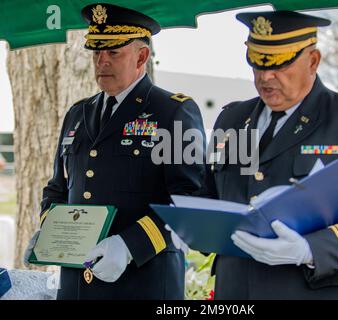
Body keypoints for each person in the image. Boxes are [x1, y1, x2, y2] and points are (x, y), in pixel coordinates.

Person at [202, 10, 338, 299]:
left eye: (279, 64)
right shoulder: (232, 120)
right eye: (257, 63)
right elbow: (212, 196)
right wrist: (191, 226)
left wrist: (312, 249)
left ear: (313, 61)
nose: (265, 76)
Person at [24, 3, 205, 300]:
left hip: (141, 281)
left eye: (113, 53)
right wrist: (50, 230)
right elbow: (57, 187)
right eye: (97, 53)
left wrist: (130, 245)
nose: (101, 62)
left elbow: (189, 200)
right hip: (78, 286)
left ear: (142, 56)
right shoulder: (78, 113)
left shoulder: (172, 112)